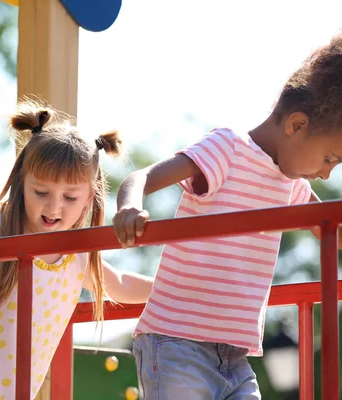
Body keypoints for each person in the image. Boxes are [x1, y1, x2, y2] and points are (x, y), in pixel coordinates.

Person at [113, 34, 342, 400]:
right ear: (296, 125)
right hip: (178, 343)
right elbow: (138, 178)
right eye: (329, 158)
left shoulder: (290, 183)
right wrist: (129, 206)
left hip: (234, 358)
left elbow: (331, 227)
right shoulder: (229, 149)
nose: (327, 173)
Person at [0, 99, 154, 400]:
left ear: (89, 198)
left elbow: (121, 285)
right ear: (23, 182)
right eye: (41, 192)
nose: (54, 206)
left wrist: (177, 287)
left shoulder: (75, 256)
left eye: (70, 197)